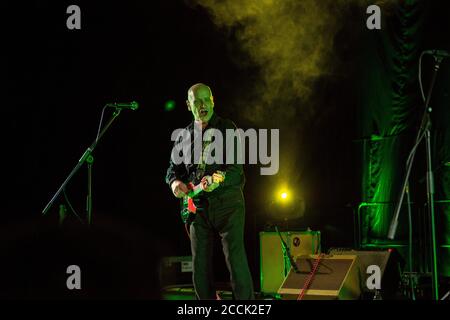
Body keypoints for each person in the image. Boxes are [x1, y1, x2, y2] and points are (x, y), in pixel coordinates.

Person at [165, 83, 254, 300]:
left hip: (228, 204)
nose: (202, 104)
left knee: (235, 259)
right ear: (189, 105)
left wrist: (219, 178)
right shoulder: (184, 135)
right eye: (197, 101)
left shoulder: (227, 128)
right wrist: (175, 183)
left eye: (206, 99)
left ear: (213, 101)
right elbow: (171, 170)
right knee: (200, 265)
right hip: (198, 207)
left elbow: (235, 170)